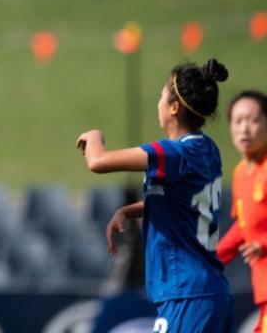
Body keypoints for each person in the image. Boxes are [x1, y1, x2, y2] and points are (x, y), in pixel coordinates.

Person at [76, 58, 234, 333]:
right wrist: (128, 211)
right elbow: (182, 202)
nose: (157, 102)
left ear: (174, 107)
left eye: (161, 96)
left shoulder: (173, 153)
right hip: (209, 292)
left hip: (185, 295)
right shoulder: (207, 149)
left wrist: (94, 135)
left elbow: (98, 161)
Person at [217, 90, 267, 333]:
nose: (244, 129)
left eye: (252, 120)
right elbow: (243, 227)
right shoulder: (240, 173)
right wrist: (212, 260)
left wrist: (264, 244)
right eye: (237, 121)